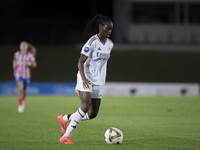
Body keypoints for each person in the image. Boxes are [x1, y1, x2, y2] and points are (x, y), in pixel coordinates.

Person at [57, 14, 114, 144]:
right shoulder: (92, 42)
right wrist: (83, 78)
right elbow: (81, 61)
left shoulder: (110, 44)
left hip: (98, 81)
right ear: (100, 27)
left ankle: (65, 118)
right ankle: (65, 137)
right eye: (107, 28)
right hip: (86, 78)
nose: (109, 31)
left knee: (92, 113)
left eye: (111, 29)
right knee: (85, 106)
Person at [13, 41, 37, 113]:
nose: (23, 47)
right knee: (20, 89)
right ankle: (20, 105)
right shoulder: (16, 54)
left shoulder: (30, 55)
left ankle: (22, 100)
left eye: (24, 45)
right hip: (18, 74)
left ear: (27, 47)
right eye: (22, 45)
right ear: (20, 47)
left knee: (24, 91)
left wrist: (28, 63)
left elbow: (34, 65)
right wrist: (14, 66)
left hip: (26, 75)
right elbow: (14, 61)